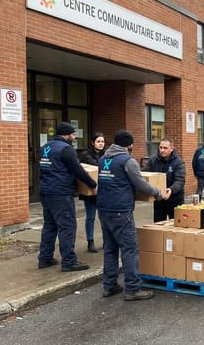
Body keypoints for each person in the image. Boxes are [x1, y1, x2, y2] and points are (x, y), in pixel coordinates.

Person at [97, 130, 172, 301]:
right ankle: (132, 288)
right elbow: (141, 185)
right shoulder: (128, 161)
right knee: (130, 249)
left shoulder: (103, 160)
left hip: (103, 210)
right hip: (121, 211)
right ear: (128, 145)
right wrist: (159, 194)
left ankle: (109, 286)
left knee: (110, 249)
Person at [38, 122, 97, 272]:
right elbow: (78, 170)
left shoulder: (45, 147)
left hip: (45, 191)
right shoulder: (66, 149)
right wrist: (92, 184)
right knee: (67, 226)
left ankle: (45, 258)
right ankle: (69, 261)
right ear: (67, 134)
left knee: (50, 225)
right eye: (73, 134)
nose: (75, 136)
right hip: (60, 193)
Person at [143, 138, 185, 222]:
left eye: (165, 148)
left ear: (172, 149)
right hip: (159, 199)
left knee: (175, 225)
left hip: (175, 199)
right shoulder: (153, 160)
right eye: (160, 147)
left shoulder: (179, 162)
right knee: (158, 225)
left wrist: (171, 190)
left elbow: (180, 181)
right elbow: (145, 174)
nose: (162, 150)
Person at [78, 132, 105, 253]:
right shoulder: (85, 154)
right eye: (98, 141)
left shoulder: (106, 154)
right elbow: (95, 167)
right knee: (90, 217)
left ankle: (107, 240)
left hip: (104, 190)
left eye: (103, 142)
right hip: (90, 190)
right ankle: (90, 241)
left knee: (104, 217)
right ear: (92, 142)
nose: (101, 144)